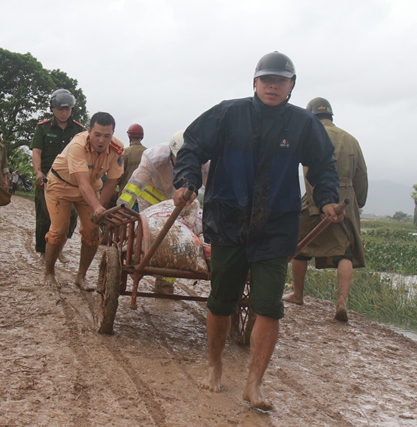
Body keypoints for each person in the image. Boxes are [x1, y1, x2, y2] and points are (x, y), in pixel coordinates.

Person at [172, 52, 342, 410]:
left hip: (276, 225)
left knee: (269, 306)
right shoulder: (228, 114)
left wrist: (327, 197)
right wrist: (187, 181)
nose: (273, 85)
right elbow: (192, 147)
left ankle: (254, 383)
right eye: (266, 79)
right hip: (228, 219)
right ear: (254, 82)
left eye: (281, 81)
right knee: (222, 301)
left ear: (292, 86)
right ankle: (215, 365)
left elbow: (324, 164)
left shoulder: (302, 124)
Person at [282, 97, 368, 322]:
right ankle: (341, 300)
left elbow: (311, 173)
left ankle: (298, 294)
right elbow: (361, 174)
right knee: (344, 252)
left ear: (311, 115)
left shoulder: (313, 134)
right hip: (346, 199)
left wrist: (317, 203)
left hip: (316, 196)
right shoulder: (351, 139)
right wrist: (358, 202)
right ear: (331, 115)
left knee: (299, 246)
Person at [43, 112, 124, 290]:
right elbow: (82, 181)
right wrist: (96, 207)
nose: (101, 140)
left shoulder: (117, 149)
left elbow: (111, 182)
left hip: (90, 190)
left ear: (113, 134)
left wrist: (100, 209)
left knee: (92, 232)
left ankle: (81, 276)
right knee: (59, 231)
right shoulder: (77, 145)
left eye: (107, 136)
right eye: (97, 134)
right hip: (61, 186)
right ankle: (49, 272)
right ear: (89, 131)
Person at [31, 89, 85, 263]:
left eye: (67, 109)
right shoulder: (43, 128)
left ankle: (58, 248)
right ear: (52, 109)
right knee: (45, 216)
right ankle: (43, 251)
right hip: (47, 177)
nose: (64, 112)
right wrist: (38, 172)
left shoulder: (79, 130)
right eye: (60, 109)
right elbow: (37, 152)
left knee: (70, 217)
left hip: (70, 179)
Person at [115, 123, 147, 210]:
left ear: (129, 136)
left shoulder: (125, 152)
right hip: (144, 200)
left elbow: (118, 176)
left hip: (127, 199)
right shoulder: (147, 153)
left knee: (125, 222)